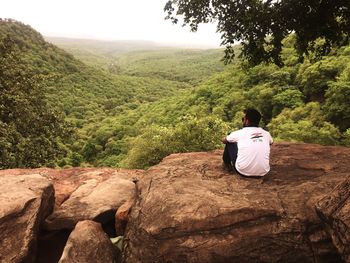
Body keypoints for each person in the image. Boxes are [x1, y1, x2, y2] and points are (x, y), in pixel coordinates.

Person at [222, 108, 273, 178]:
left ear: (247, 121)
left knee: (230, 141)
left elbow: (224, 140)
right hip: (263, 172)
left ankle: (227, 165)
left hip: (243, 171)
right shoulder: (267, 134)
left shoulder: (239, 133)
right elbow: (271, 142)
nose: (243, 120)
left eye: (243, 119)